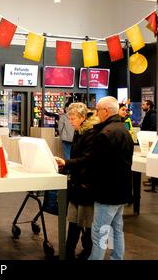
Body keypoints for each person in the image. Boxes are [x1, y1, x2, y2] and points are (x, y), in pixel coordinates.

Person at [88, 96, 134, 260]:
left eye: (98, 110)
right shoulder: (124, 131)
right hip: (122, 190)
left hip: (107, 192)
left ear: (106, 111)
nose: (96, 113)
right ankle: (117, 257)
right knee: (116, 229)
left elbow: (97, 165)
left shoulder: (104, 134)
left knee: (100, 231)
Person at [55, 103, 99, 260]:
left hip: (86, 185)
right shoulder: (80, 132)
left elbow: (87, 159)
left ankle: (87, 252)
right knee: (74, 221)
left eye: (73, 118)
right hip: (77, 184)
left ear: (82, 117)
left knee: (85, 222)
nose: (70, 121)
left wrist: (67, 164)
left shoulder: (91, 134)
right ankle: (69, 251)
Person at [140, 100, 158, 193]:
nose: (142, 106)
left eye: (144, 105)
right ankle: (153, 180)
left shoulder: (152, 114)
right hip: (149, 138)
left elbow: (153, 126)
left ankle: (155, 182)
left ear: (148, 105)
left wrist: (146, 134)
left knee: (153, 160)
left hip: (151, 139)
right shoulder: (150, 113)